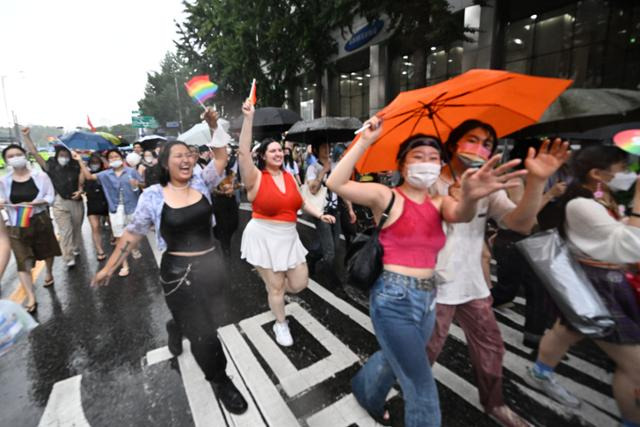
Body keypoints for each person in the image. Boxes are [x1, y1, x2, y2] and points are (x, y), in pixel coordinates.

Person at [327, 116, 527, 427]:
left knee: (404, 360)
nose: (426, 163)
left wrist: (474, 195)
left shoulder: (441, 202)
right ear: (402, 165)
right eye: (418, 157)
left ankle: (366, 390)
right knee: (421, 384)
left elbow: (462, 214)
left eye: (433, 158)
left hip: (433, 296)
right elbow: (336, 183)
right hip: (395, 297)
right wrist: (364, 140)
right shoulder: (388, 196)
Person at [91, 131, 249, 415]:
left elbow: (222, 156)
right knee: (205, 334)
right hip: (179, 275)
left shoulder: (201, 181)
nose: (186, 159)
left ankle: (175, 327)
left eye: (189, 155)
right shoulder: (153, 196)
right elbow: (131, 235)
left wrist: (214, 128)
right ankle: (221, 379)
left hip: (212, 267)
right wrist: (109, 268)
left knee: (211, 318)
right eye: (179, 156)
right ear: (165, 164)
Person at [426, 120, 569, 427]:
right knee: (426, 351)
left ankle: (495, 404)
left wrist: (535, 182)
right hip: (431, 286)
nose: (480, 148)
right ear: (452, 144)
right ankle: (398, 388)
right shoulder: (427, 181)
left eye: (488, 144)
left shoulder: (486, 185)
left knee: (492, 347)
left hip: (473, 284)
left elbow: (519, 223)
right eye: (472, 140)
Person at [524, 146, 640, 426]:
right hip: (599, 284)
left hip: (601, 281)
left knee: (567, 330)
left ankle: (540, 373)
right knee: (635, 367)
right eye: (621, 168)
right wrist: (638, 203)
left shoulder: (598, 197)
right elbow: (630, 244)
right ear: (597, 173)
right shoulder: (580, 204)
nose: (625, 174)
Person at [238, 99, 335, 347]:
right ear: (262, 156)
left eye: (280, 150)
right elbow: (242, 154)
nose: (279, 153)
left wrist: (319, 213)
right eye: (272, 151)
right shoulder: (255, 178)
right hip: (264, 236)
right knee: (277, 288)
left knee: (300, 283)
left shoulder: (291, 176)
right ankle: (280, 323)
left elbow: (301, 202)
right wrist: (248, 119)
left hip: (289, 237)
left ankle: (274, 289)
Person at [0, 145, 61, 312]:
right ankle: (31, 297)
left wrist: (38, 202)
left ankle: (48, 272)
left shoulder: (40, 176)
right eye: (11, 156)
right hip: (16, 223)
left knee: (47, 251)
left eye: (18, 154)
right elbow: (2, 199)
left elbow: (50, 196)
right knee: (23, 260)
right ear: (6, 160)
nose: (15, 158)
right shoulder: (4, 181)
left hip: (39, 220)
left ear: (25, 155)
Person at [22, 128, 84, 269]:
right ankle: (68, 256)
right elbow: (34, 153)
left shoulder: (76, 165)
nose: (64, 157)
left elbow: (82, 180)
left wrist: (80, 190)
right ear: (57, 155)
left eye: (66, 155)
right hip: (59, 202)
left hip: (76, 202)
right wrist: (26, 137)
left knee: (76, 228)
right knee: (65, 231)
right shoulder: (50, 165)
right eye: (61, 154)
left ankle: (75, 247)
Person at [74, 148, 141, 277]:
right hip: (115, 209)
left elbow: (143, 184)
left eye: (116, 157)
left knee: (133, 234)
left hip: (132, 207)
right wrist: (80, 161)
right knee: (119, 237)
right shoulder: (105, 174)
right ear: (108, 161)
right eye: (111, 158)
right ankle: (124, 265)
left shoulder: (132, 171)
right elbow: (88, 177)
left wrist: (136, 185)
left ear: (122, 158)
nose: (114, 159)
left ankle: (134, 247)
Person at [213, 149, 240, 256]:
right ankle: (225, 246)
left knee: (234, 223)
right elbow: (212, 189)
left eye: (228, 156)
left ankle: (225, 240)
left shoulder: (230, 172)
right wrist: (222, 191)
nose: (227, 158)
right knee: (223, 225)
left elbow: (236, 184)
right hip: (219, 202)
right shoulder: (213, 171)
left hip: (231, 201)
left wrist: (235, 187)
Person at [84, 153, 111, 261]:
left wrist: (103, 158)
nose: (95, 164)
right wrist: (80, 191)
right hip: (92, 202)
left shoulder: (106, 173)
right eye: (93, 162)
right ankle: (99, 250)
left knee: (113, 225)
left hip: (106, 201)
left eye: (97, 162)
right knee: (95, 227)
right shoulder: (85, 172)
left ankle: (113, 237)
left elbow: (110, 168)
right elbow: (81, 184)